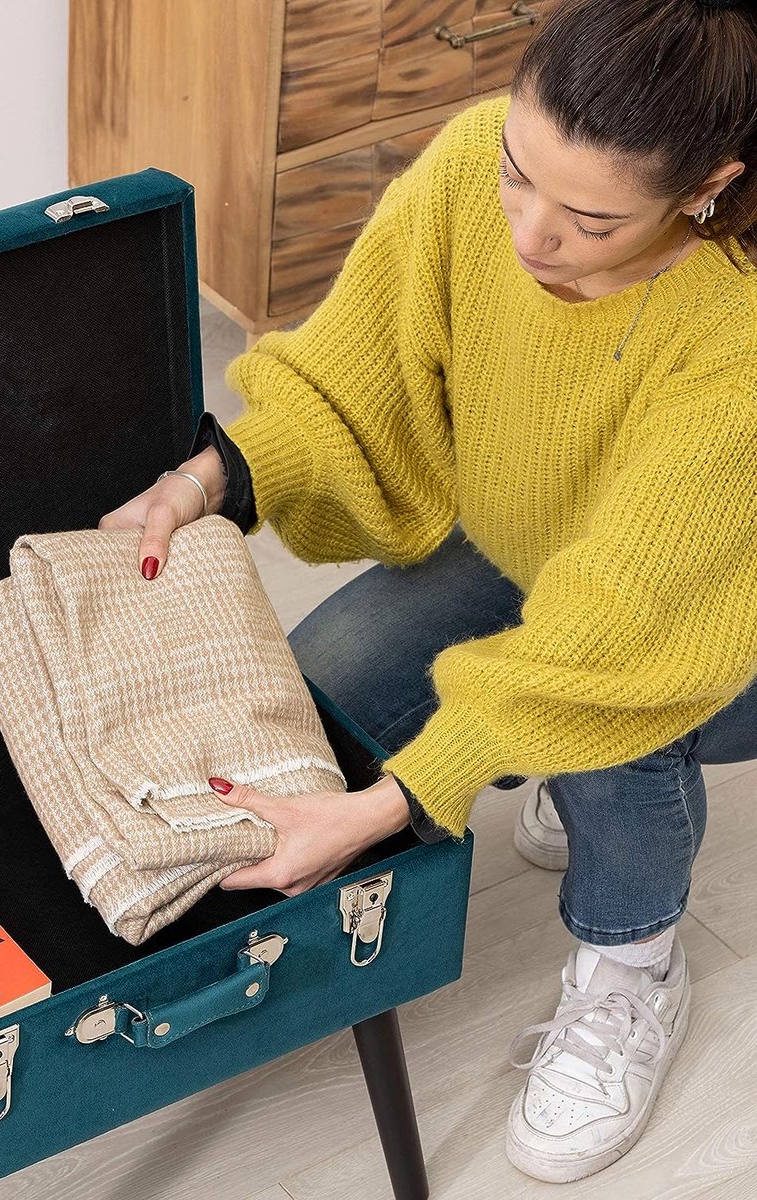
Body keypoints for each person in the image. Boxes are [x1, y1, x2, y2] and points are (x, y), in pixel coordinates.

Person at [99, 0, 757, 1183]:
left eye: (589, 216)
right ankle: (537, 756)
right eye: (519, 175)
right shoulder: (465, 171)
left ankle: (633, 963)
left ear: (707, 185)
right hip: (537, 556)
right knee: (322, 703)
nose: (532, 234)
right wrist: (209, 478)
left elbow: (621, 633)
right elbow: (352, 376)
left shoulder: (737, 331)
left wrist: (397, 804)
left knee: (606, 735)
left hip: (715, 618)